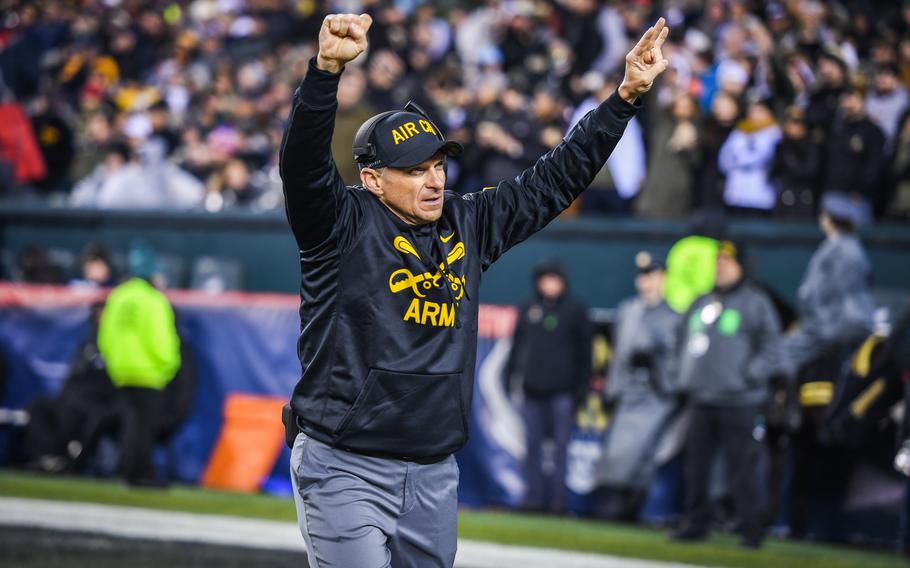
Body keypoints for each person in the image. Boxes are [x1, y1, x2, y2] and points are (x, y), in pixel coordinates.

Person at [279, 12, 670, 567]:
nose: (434, 179)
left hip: (434, 470)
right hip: (346, 463)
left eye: (438, 164)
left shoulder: (470, 222)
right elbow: (302, 168)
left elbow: (557, 178)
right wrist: (324, 73)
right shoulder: (338, 224)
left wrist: (625, 97)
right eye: (414, 170)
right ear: (371, 177)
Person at [672, 240, 781, 548]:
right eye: (717, 262)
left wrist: (749, 376)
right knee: (696, 469)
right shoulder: (702, 301)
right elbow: (680, 338)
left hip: (740, 400)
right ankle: (695, 524)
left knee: (742, 469)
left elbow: (773, 347)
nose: (720, 267)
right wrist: (682, 374)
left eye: (727, 262)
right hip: (701, 397)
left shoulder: (755, 302)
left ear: (741, 266)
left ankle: (751, 530)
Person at [592, 252, 680, 521]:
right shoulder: (628, 310)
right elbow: (618, 357)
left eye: (652, 276)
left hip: (654, 395)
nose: (646, 281)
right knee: (617, 454)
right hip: (627, 391)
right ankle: (615, 507)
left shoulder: (673, 317)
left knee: (641, 456)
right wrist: (611, 390)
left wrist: (656, 365)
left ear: (663, 278)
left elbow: (677, 361)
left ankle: (629, 508)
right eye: (643, 276)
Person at [504, 260, 591, 515]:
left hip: (563, 393)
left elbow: (585, 354)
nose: (549, 284)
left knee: (561, 448)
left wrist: (581, 389)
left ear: (562, 282)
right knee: (531, 447)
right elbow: (517, 347)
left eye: (554, 279)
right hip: (532, 390)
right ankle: (532, 499)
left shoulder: (575, 310)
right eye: (545, 279)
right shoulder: (528, 307)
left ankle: (558, 502)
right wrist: (511, 378)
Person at [96, 242, 181, 486]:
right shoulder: (154, 300)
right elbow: (161, 339)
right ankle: (140, 474)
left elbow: (105, 336)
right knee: (143, 426)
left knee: (131, 422)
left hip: (121, 371)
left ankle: (128, 470)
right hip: (149, 372)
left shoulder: (118, 295)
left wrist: (115, 362)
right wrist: (168, 366)